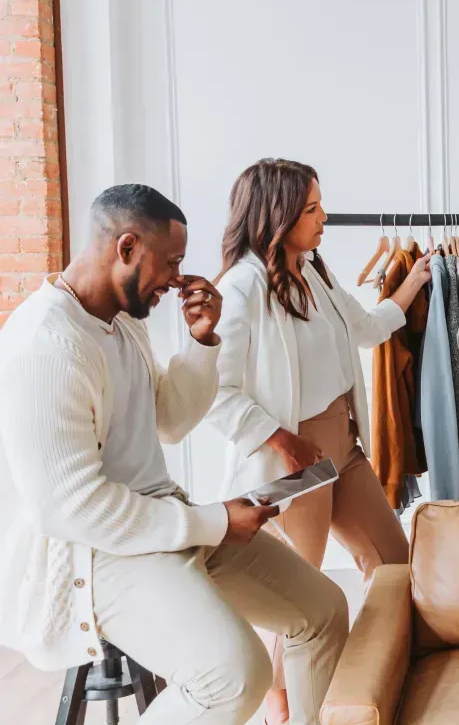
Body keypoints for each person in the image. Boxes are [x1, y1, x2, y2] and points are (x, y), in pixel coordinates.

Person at [0, 185, 349, 725]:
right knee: (235, 677)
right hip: (96, 555)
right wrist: (210, 522)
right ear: (127, 248)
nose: (178, 278)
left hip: (163, 518)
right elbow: (68, 509)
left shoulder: (122, 321)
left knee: (323, 611)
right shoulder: (46, 345)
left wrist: (202, 342)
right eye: (172, 262)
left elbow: (170, 422)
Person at [206, 158, 429, 725]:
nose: (324, 217)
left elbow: (366, 327)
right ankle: (283, 708)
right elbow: (216, 392)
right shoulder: (242, 287)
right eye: (311, 209)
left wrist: (414, 283)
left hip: (343, 445)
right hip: (296, 453)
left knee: (393, 561)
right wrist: (282, 439)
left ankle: (380, 672)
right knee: (300, 595)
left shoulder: (317, 270)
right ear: (277, 216)